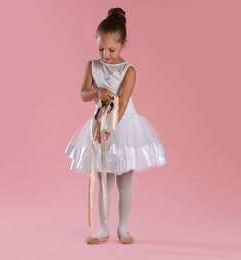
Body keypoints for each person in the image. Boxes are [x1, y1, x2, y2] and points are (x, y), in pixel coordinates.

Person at [65, 7, 167, 245]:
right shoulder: (92, 66)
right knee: (104, 181)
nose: (106, 54)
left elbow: (121, 105)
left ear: (123, 45)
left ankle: (123, 228)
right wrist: (97, 91)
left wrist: (109, 130)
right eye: (101, 48)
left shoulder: (128, 70)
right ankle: (103, 229)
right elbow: (83, 94)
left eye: (111, 49)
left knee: (126, 182)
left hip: (124, 128)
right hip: (100, 126)